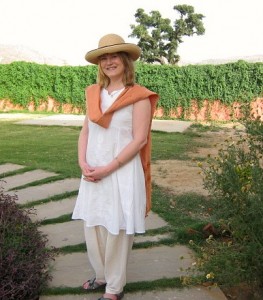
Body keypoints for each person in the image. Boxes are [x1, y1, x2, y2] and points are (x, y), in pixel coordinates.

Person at [72, 33, 159, 300]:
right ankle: (101, 275)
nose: (109, 62)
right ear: (100, 64)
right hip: (93, 171)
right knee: (94, 224)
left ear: (125, 61)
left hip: (121, 172)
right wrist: (83, 163)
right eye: (104, 58)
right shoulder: (93, 94)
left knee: (117, 228)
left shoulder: (139, 97)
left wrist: (109, 167)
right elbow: (86, 132)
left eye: (114, 56)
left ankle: (114, 288)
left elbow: (139, 139)